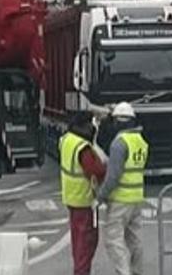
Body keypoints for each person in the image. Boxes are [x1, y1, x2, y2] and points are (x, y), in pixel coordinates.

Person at [97, 102, 149, 275]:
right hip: (136, 197)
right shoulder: (141, 141)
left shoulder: (119, 143)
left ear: (117, 122)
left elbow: (113, 176)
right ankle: (137, 271)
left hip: (120, 199)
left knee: (113, 239)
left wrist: (101, 196)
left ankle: (124, 272)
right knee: (135, 239)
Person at [59, 114, 107, 275]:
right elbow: (95, 170)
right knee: (86, 243)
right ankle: (81, 272)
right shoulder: (83, 147)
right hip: (84, 199)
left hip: (72, 197)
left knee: (78, 241)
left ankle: (80, 270)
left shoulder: (67, 139)